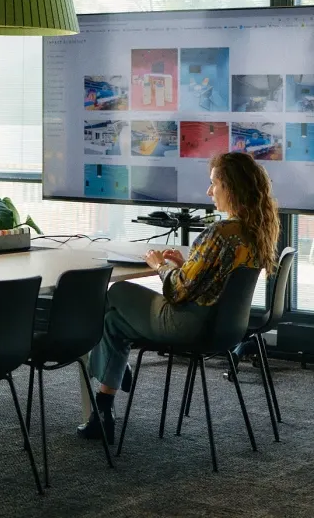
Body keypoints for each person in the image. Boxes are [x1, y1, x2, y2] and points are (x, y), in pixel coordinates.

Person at [78, 152, 280, 444]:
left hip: (188, 323)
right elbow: (216, 279)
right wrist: (187, 265)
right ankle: (103, 409)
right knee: (113, 322)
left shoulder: (221, 232)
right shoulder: (256, 232)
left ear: (232, 187)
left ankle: (115, 371)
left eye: (214, 184)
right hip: (225, 329)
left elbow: (177, 290)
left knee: (117, 292)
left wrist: (160, 265)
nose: (209, 191)